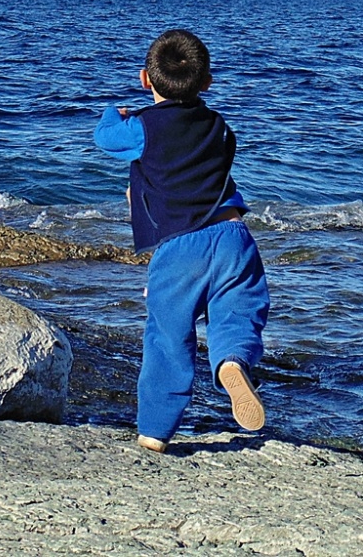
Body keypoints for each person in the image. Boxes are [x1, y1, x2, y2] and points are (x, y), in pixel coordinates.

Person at [94, 28, 270, 453]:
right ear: (207, 82)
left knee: (168, 337)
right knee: (238, 311)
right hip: (233, 237)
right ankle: (231, 361)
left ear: (144, 79)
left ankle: (155, 430)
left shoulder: (141, 128)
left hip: (180, 247)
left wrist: (111, 113)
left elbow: (106, 139)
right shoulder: (220, 126)